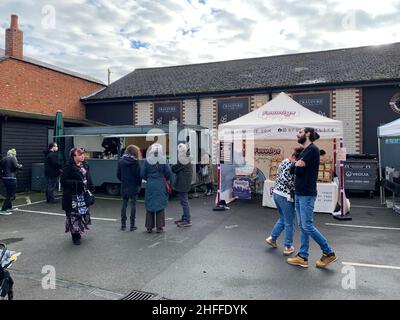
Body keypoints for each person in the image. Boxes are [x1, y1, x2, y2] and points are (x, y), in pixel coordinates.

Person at [287, 127, 337, 268]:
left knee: (307, 226)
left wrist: (297, 166)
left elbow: (298, 171)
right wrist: (297, 165)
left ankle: (328, 252)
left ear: (308, 134)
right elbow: (292, 170)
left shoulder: (312, 150)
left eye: (300, 132)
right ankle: (303, 256)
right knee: (303, 226)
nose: (298, 134)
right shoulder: (303, 151)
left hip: (307, 194)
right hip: (299, 193)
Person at [265, 147, 303, 256]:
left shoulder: (284, 161)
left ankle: (272, 238)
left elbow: (280, 177)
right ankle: (288, 246)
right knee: (289, 222)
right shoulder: (294, 166)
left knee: (283, 218)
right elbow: (290, 183)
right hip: (286, 196)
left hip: (276, 193)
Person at [61, 148, 94, 245]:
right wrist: (77, 183)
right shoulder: (68, 167)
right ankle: (75, 236)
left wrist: (91, 186)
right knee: (73, 216)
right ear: (74, 156)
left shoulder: (85, 165)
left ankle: (79, 231)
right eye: (79, 155)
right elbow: (63, 181)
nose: (82, 156)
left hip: (83, 195)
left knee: (82, 214)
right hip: (72, 196)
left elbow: (88, 177)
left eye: (83, 154)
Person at [142, 143, 172, 233]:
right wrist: (163, 179)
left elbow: (142, 174)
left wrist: (149, 178)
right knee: (160, 205)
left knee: (150, 204)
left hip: (150, 184)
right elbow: (168, 173)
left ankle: (149, 227)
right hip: (160, 184)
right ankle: (159, 227)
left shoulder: (147, 160)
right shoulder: (163, 160)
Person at [117, 145, 142, 231]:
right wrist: (139, 184)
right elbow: (139, 176)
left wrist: (123, 180)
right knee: (133, 205)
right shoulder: (136, 162)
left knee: (124, 204)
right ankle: (132, 225)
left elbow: (118, 175)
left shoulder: (121, 161)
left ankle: (123, 225)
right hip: (134, 186)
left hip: (124, 186)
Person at [172, 144, 193, 227]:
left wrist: (172, 166)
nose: (179, 152)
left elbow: (174, 169)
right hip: (185, 182)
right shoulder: (186, 158)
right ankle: (185, 217)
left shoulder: (183, 159)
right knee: (184, 201)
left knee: (184, 202)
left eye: (180, 151)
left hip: (183, 183)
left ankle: (187, 220)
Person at [0, 149, 22, 215]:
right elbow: (16, 166)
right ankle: (3, 209)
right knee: (11, 194)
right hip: (11, 178)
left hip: (5, 178)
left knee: (8, 193)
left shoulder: (3, 159)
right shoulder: (13, 158)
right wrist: (20, 166)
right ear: (13, 154)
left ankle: (9, 207)